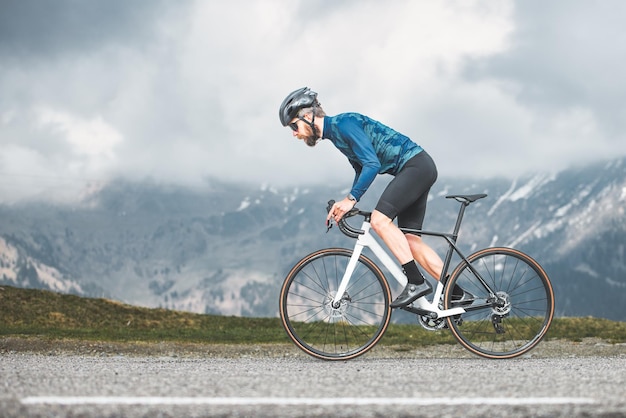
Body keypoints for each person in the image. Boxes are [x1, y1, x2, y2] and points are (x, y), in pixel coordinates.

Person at [279, 87, 470, 308]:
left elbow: (372, 164)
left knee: (380, 221)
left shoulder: (344, 124)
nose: (294, 133)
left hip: (415, 166)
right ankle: (457, 293)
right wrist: (348, 202)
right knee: (411, 243)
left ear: (308, 116)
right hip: (417, 167)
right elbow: (361, 169)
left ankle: (416, 282)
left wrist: (351, 199)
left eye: (294, 125)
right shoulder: (336, 134)